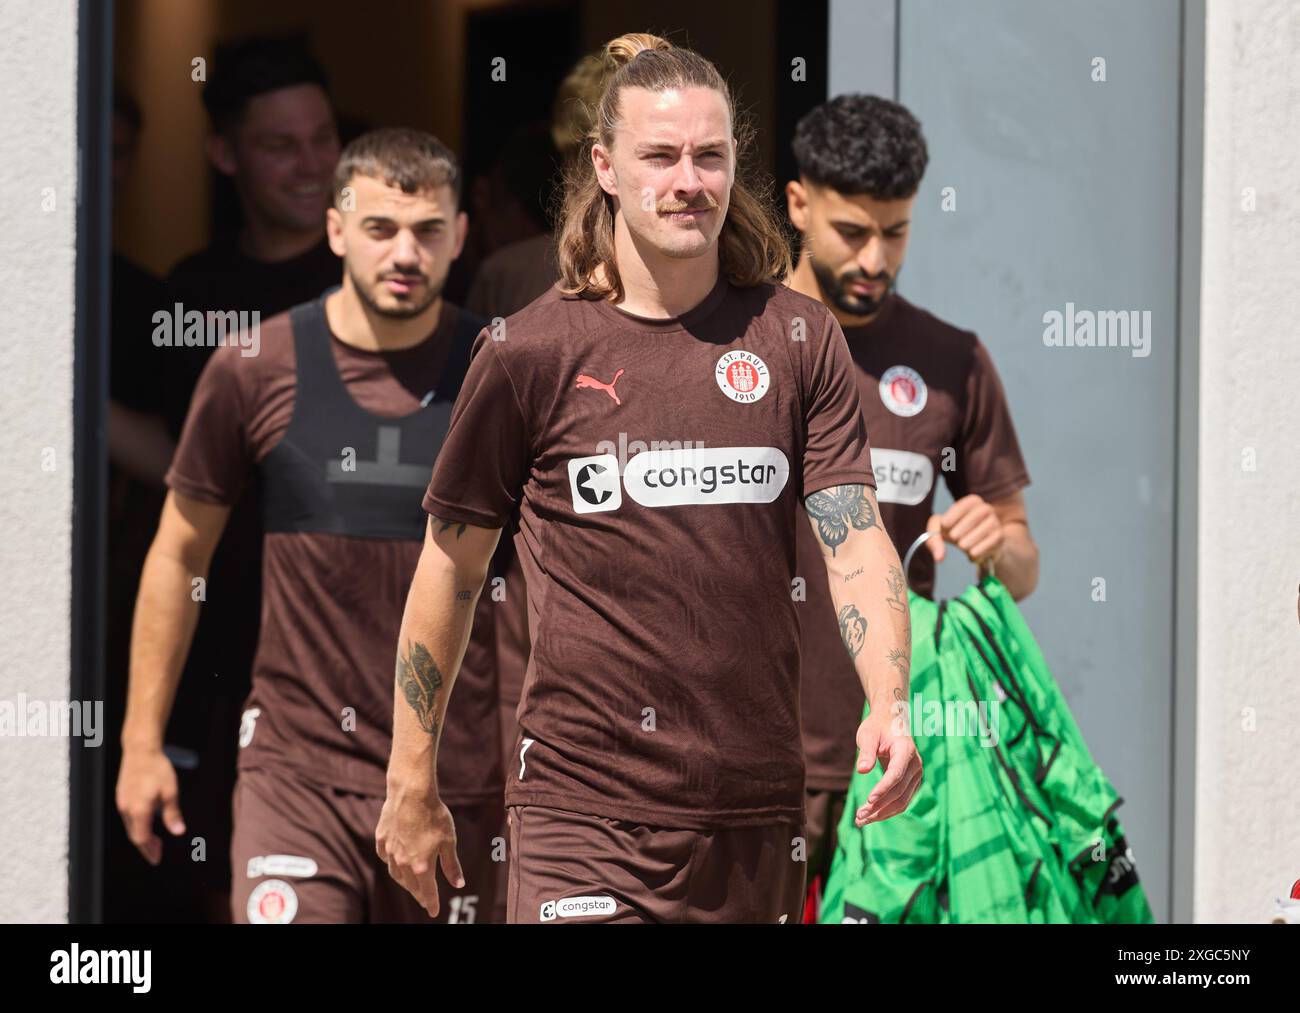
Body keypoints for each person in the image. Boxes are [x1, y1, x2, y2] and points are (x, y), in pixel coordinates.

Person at [377, 33, 920, 925]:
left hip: (752, 819)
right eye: (659, 155)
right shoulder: (531, 352)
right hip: (582, 813)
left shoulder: (796, 338)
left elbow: (854, 535)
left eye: (710, 156)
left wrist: (889, 704)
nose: (688, 180)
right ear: (605, 167)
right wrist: (410, 778)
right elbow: (451, 566)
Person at [117, 128, 503, 923]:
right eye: (379, 229)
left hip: (453, 780)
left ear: (460, 235)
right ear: (335, 230)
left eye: (429, 231)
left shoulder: (501, 371)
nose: (406, 253)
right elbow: (178, 551)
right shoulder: (255, 364)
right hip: (296, 772)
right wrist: (139, 741)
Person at [783, 94, 1038, 908]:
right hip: (748, 754)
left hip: (891, 755)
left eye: (895, 233)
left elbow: (1025, 566)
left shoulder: (949, 360)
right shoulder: (738, 341)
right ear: (798, 204)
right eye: (851, 232)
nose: (875, 258)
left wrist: (993, 540)